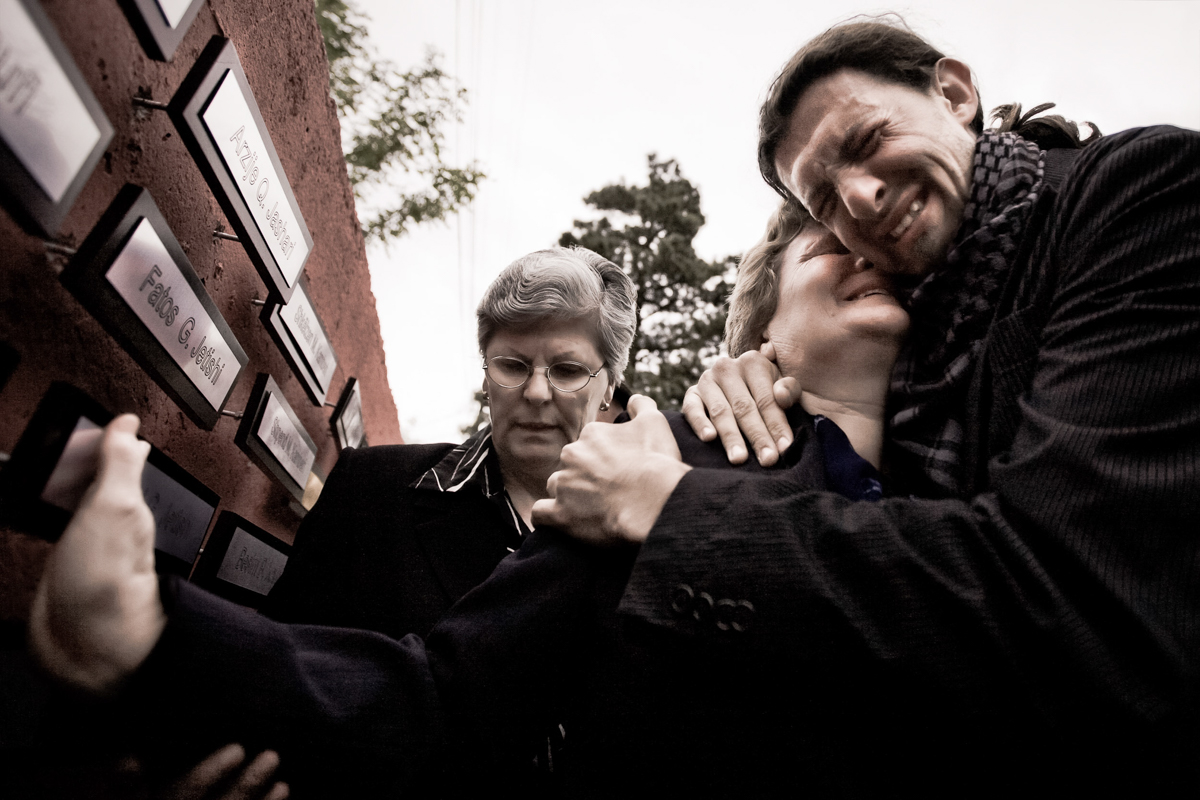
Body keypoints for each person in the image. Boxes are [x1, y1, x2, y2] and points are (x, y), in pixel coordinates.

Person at [531, 16, 1200, 796]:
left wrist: (676, 510)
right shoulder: (898, 344)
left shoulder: (1137, 192)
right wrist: (761, 375)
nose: (858, 199)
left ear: (955, 94)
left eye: (869, 138)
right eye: (823, 204)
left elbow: (1076, 605)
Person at [262, 246, 636, 645]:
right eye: (512, 365)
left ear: (608, 387)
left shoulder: (642, 536)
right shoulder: (367, 489)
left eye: (567, 370)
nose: (537, 392)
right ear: (486, 375)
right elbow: (276, 659)